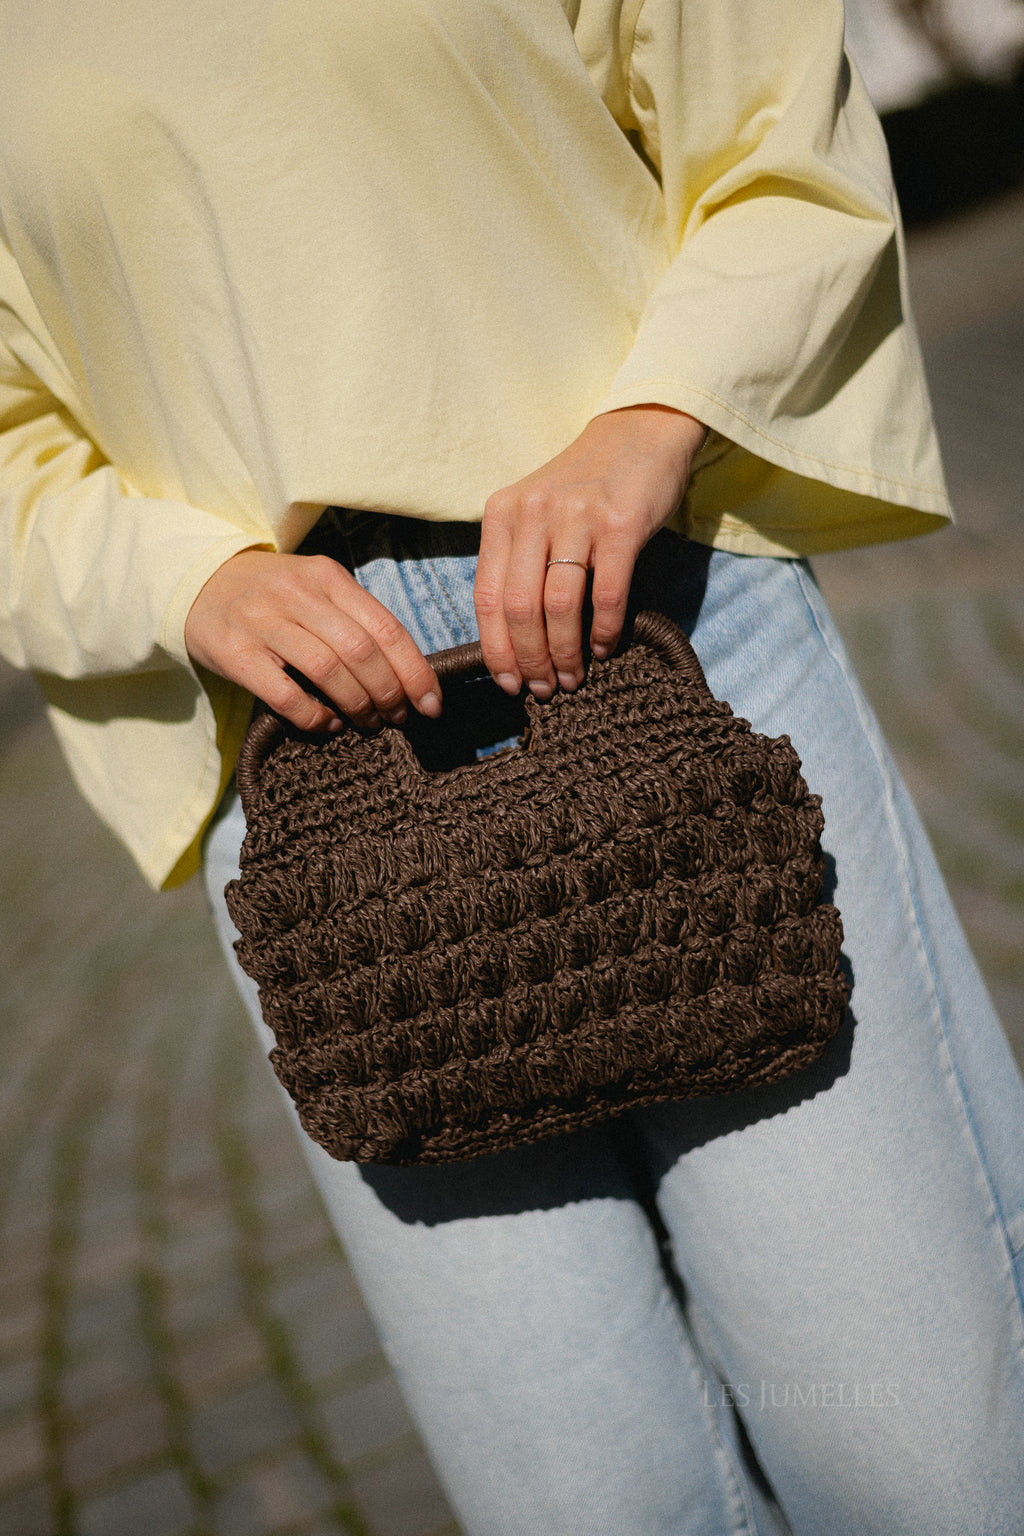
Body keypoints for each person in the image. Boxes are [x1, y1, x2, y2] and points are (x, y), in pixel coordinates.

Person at [2, 2, 1023, 1531]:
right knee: (590, 1501)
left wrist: (652, 414)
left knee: (918, 1454)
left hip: (656, 617)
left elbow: (770, 132)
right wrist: (179, 580)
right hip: (299, 748)